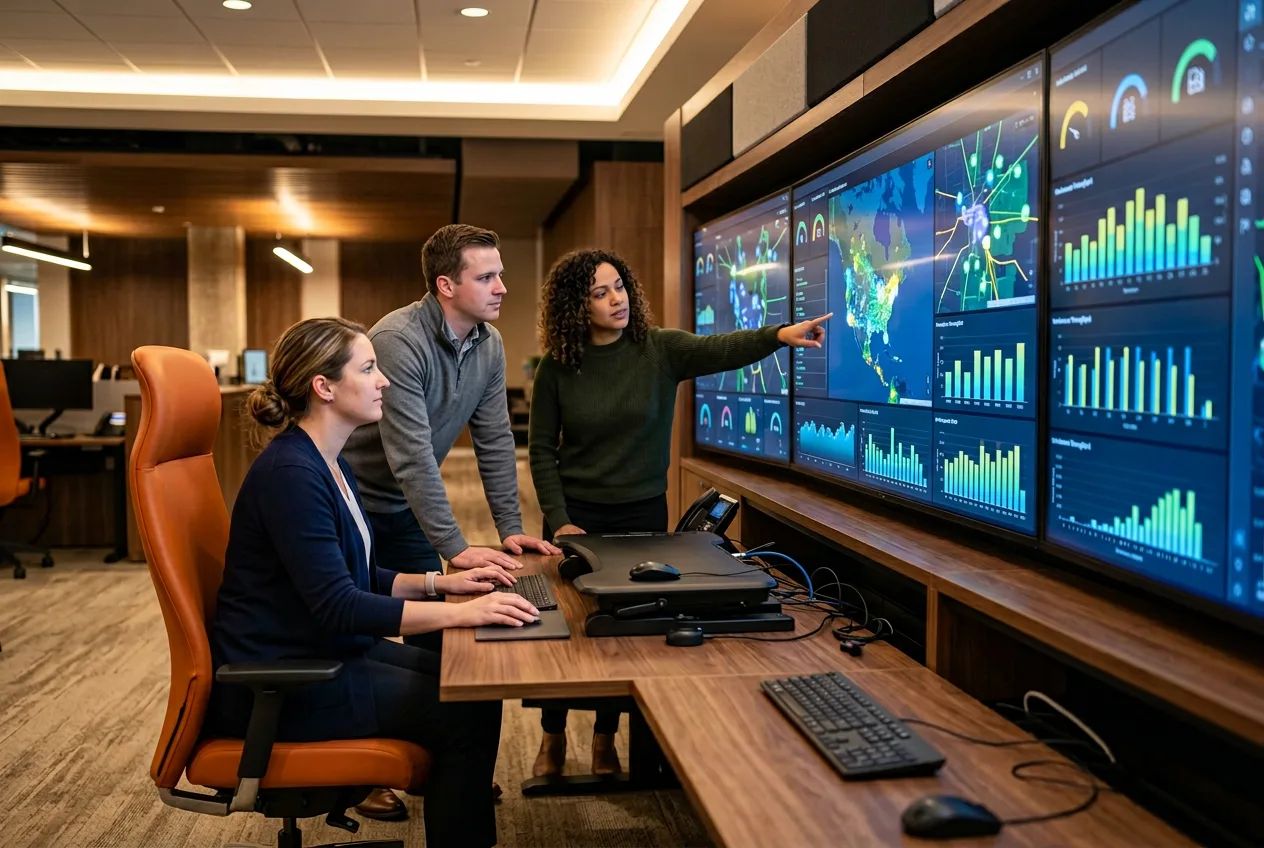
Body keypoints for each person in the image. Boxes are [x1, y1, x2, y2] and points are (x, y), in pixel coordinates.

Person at [206, 317, 539, 847]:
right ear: (325, 387)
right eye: (368, 368)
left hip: (318, 652)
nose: (383, 380)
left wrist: (441, 585)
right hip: (283, 681)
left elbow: (359, 575)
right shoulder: (292, 475)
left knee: (472, 685)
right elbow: (342, 606)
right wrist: (462, 613)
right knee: (465, 713)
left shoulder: (330, 462)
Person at [527, 248, 830, 777]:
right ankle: (551, 738)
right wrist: (559, 518)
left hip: (642, 514)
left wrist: (778, 335)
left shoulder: (659, 350)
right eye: (599, 292)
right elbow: (540, 452)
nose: (615, 299)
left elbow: (721, 347)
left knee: (624, 629)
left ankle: (605, 739)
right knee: (566, 631)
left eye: (619, 286)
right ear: (576, 306)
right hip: (575, 517)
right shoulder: (559, 366)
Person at [342, 223, 559, 818]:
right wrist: (456, 548)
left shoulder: (487, 345)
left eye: (500, 274)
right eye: (486, 276)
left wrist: (510, 528)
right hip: (354, 502)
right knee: (356, 633)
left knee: (436, 639)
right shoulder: (398, 340)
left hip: (406, 507)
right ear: (445, 284)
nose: (502, 288)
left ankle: (446, 768)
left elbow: (494, 439)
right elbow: (411, 456)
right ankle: (359, 771)